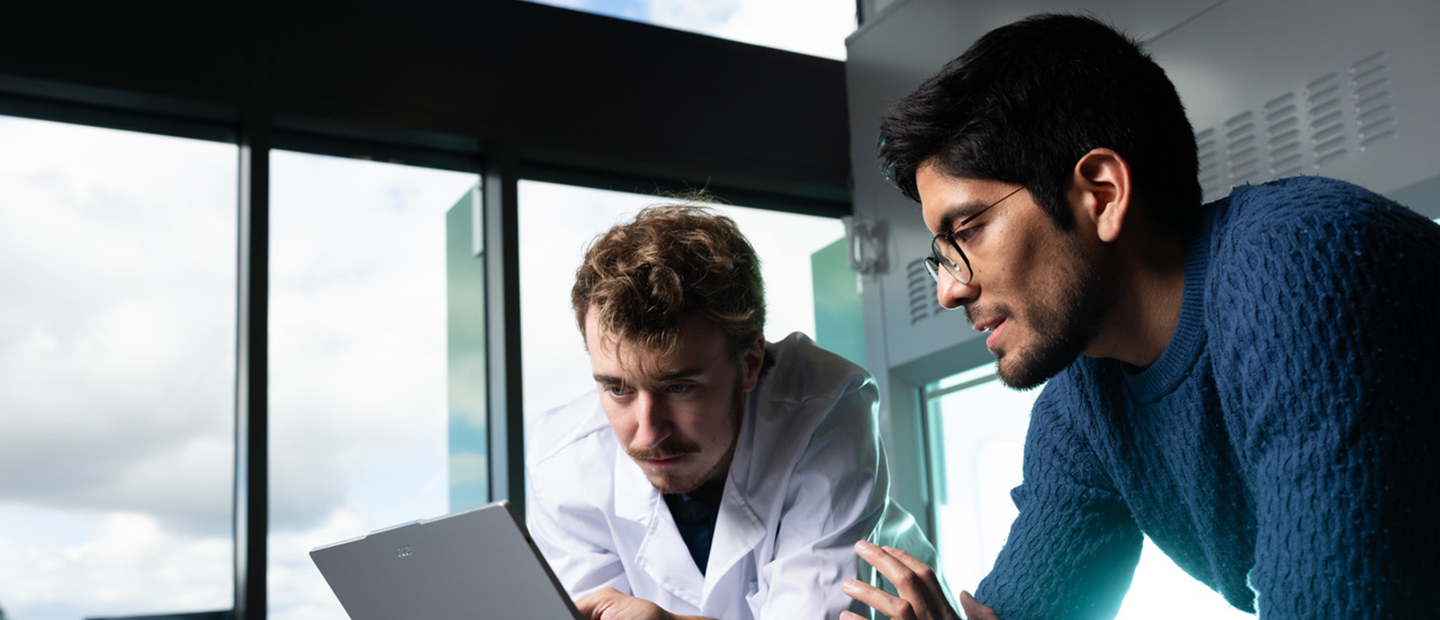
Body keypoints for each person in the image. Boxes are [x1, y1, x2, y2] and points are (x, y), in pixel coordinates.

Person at [841, 12, 1440, 620]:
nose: (948, 290)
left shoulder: (1302, 266)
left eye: (967, 229)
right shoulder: (1083, 400)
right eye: (939, 256)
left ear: (1101, 193)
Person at [526, 204, 936, 620]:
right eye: (617, 388)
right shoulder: (561, 461)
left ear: (750, 362)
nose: (648, 434)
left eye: (679, 387)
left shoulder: (825, 406)